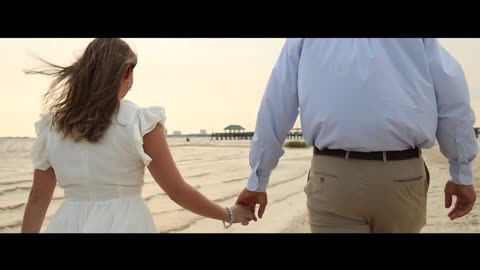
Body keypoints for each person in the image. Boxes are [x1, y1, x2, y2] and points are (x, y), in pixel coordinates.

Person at [235, 38, 478, 233]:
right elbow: (452, 101)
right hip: (402, 177)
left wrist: (258, 178)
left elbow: (276, 105)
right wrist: (461, 172)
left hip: (333, 177)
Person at [21, 38, 252, 233]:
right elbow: (177, 191)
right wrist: (229, 214)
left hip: (67, 223)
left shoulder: (53, 125)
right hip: (126, 222)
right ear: (127, 72)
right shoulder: (139, 122)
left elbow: (38, 197)